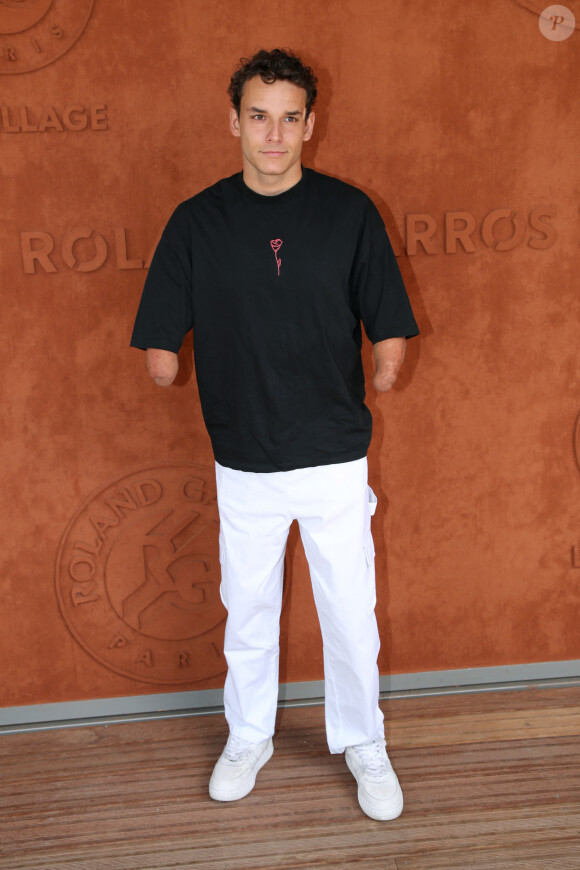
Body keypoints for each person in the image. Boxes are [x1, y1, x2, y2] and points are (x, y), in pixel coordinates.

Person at [131, 48, 419, 821]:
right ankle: (248, 734)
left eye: (289, 117)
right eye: (259, 115)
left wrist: (387, 360)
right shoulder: (197, 221)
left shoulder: (348, 212)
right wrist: (169, 359)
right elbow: (160, 352)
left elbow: (388, 323)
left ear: (310, 125)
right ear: (234, 121)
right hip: (246, 455)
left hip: (333, 451)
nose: (273, 133)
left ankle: (364, 741)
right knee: (248, 611)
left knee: (350, 614)